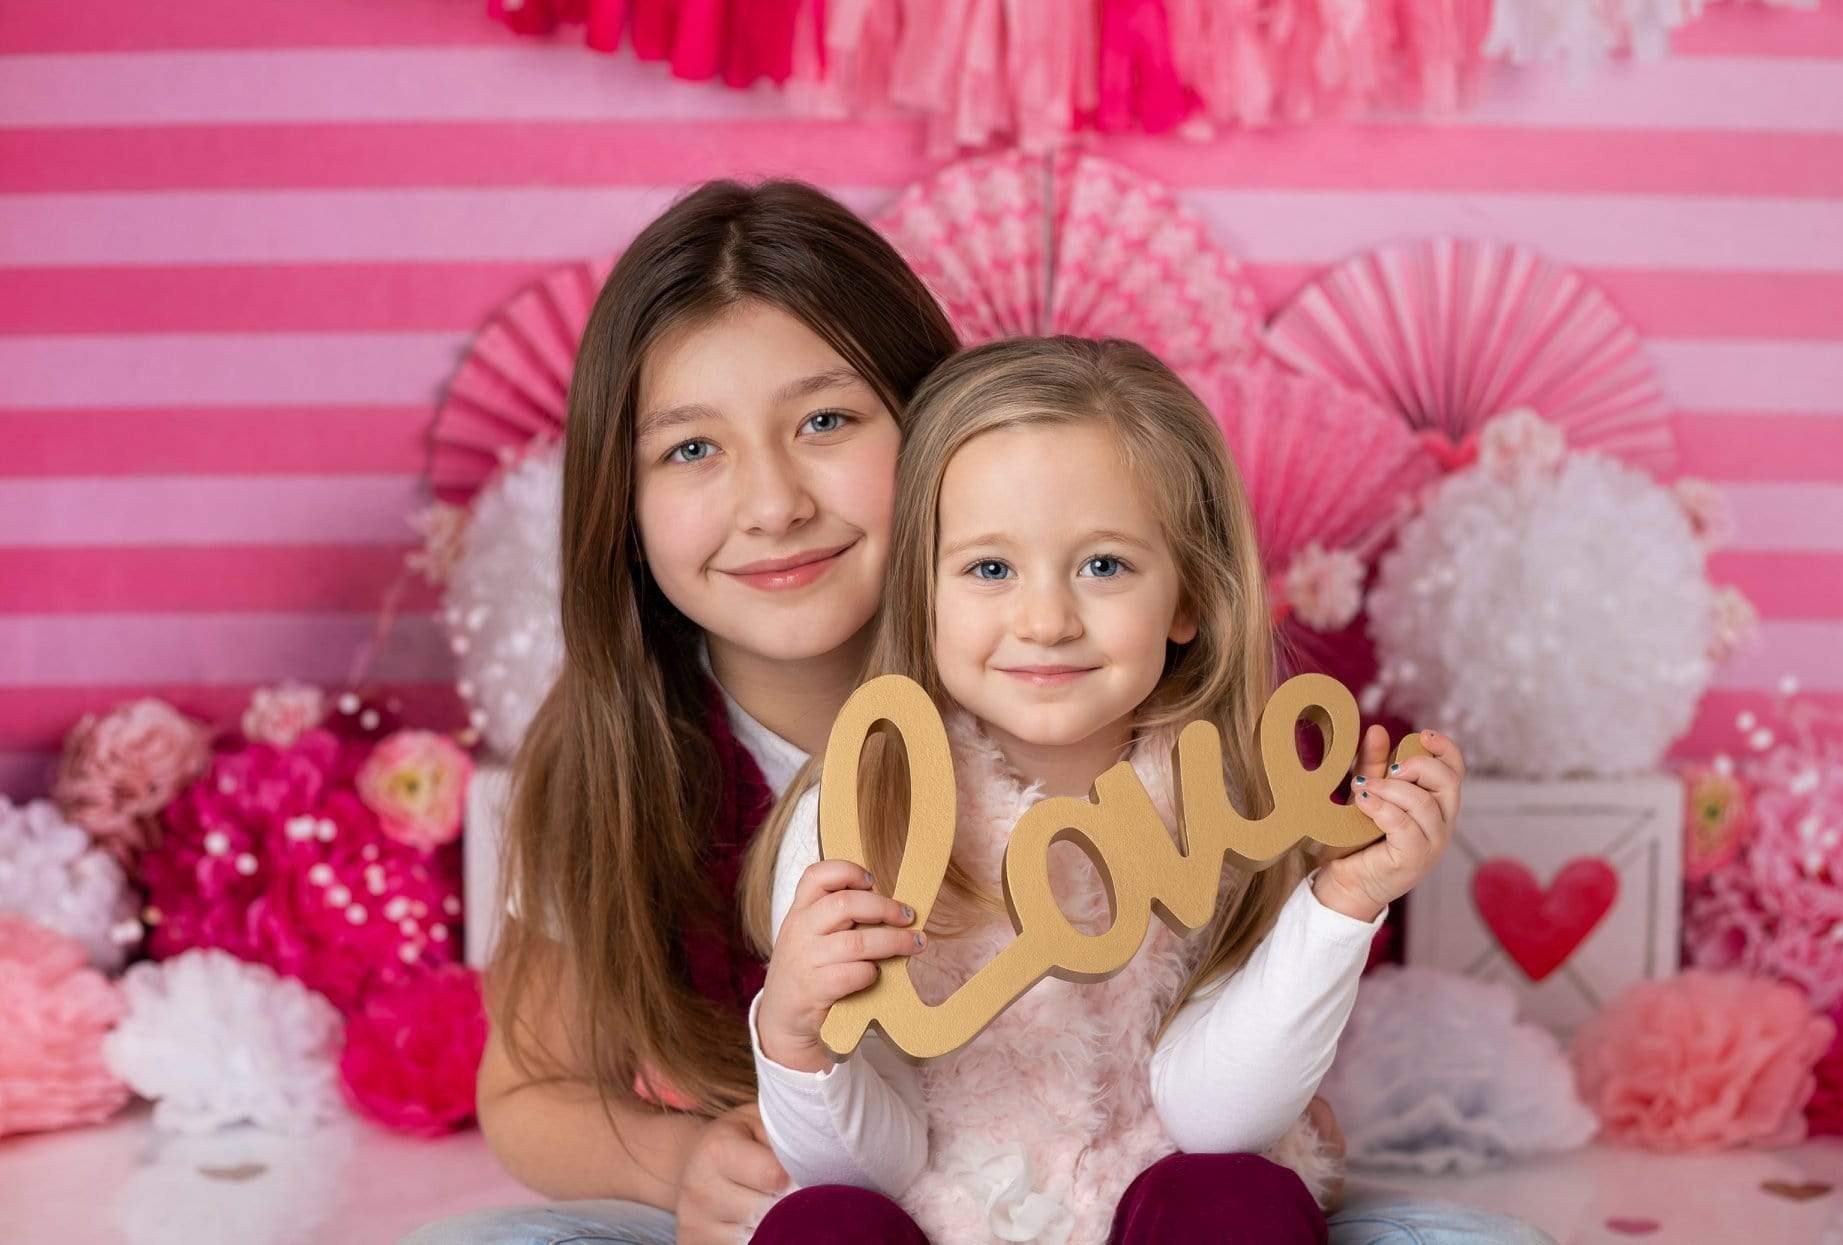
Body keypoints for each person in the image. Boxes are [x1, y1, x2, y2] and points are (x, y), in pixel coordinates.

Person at [404, 188, 1551, 1245]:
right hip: (835, 1192)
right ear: (623, 501)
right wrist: (680, 1161)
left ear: (948, 433)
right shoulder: (610, 753)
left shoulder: (1097, 688)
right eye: (691, 448)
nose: (771, 503)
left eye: (828, 422)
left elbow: (1218, 1017)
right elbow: (526, 1095)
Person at [743, 338, 1506, 1245]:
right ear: (925, 594)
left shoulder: (1235, 797)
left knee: (1236, 1197)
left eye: (1103, 565)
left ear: (1186, 597)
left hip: (1155, 1204)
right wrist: (794, 1038)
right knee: (819, 1224)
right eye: (990, 569)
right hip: (945, 1211)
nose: (1045, 619)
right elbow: (868, 1169)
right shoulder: (864, 807)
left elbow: (1215, 1122)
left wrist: (1339, 904)